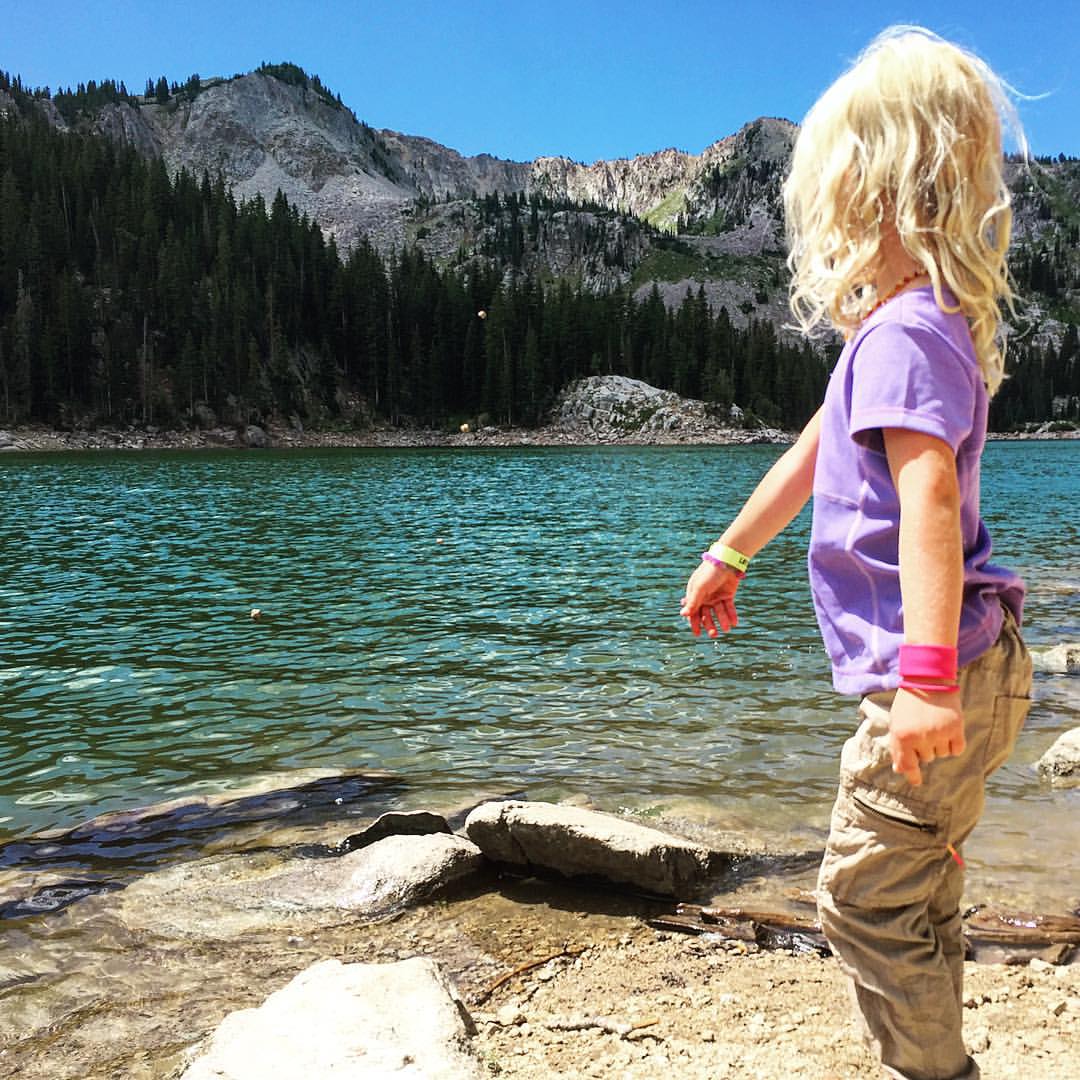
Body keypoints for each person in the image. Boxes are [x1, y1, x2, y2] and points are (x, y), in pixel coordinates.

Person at [680, 26, 1033, 1080]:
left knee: (859, 901)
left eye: (833, 192)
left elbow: (926, 499)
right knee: (914, 891)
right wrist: (732, 553)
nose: (824, 219)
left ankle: (935, 1072)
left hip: (940, 673)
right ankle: (938, 1055)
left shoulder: (905, 335)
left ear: (881, 192)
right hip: (970, 663)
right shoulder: (903, 332)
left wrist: (924, 682)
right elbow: (810, 453)